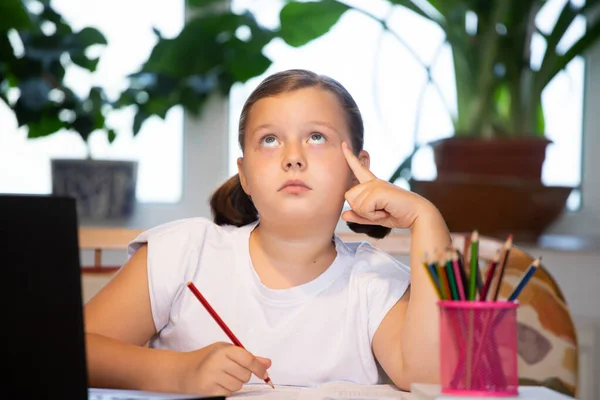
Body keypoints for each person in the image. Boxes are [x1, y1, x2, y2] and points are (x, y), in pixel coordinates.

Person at [84, 69, 452, 397]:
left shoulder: (375, 281)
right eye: (270, 140)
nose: (293, 157)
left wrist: (426, 218)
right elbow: (73, 350)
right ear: (244, 174)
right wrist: (180, 372)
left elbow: (430, 378)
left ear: (358, 168)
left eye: (317, 137)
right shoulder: (183, 252)